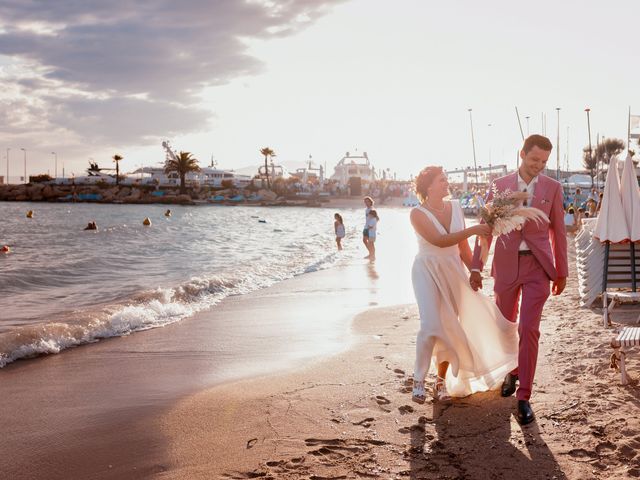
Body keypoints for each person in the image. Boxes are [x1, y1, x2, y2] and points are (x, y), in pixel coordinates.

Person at [469, 134, 568, 425]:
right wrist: (476, 267)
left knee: (528, 328)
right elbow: (486, 229)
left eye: (544, 161)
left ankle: (524, 396)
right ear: (522, 154)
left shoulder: (554, 188)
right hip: (506, 265)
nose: (539, 165)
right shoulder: (499, 187)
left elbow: (558, 233)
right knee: (505, 327)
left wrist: (561, 272)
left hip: (539, 268)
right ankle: (511, 372)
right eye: (534, 159)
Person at [410, 166, 518, 405]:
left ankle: (439, 381)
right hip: (426, 270)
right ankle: (418, 379)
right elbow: (438, 241)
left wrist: (475, 270)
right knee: (430, 324)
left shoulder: (456, 207)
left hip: (453, 271)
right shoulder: (417, 214)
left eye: (446, 178)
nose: (446, 183)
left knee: (450, 327)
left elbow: (463, 248)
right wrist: (473, 230)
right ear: (428, 186)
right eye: (442, 179)